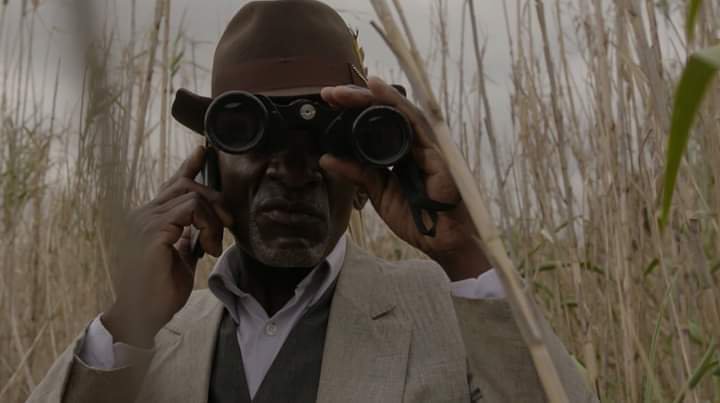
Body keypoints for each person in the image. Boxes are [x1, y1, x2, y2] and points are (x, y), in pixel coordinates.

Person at [29, 1, 597, 402]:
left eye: (326, 140)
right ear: (209, 166)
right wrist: (127, 322)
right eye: (252, 136)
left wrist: (465, 253)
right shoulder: (155, 339)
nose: (293, 171)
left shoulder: (447, 312)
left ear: (366, 176)